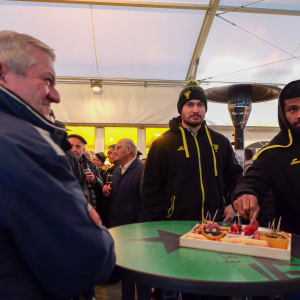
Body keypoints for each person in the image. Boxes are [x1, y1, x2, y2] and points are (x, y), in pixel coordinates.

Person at [0, 30, 116, 300]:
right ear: (3, 73)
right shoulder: (26, 145)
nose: (56, 96)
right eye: (47, 80)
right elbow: (88, 259)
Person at [141, 80, 243, 224]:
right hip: (175, 224)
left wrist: (233, 205)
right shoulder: (162, 143)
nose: (195, 110)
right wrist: (161, 219)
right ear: (180, 109)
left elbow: (235, 178)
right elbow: (149, 185)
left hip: (216, 223)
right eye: (190, 104)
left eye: (200, 104)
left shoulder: (220, 142)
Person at [233, 80, 300, 236]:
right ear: (283, 113)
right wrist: (244, 195)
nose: (299, 115)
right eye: (292, 109)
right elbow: (250, 181)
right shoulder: (273, 152)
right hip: (292, 243)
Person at [103, 138, 151, 300]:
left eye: (118, 147)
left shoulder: (143, 170)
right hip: (119, 226)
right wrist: (107, 193)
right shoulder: (116, 171)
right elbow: (119, 196)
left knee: (141, 268)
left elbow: (147, 201)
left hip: (136, 227)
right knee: (125, 268)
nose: (114, 150)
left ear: (128, 150)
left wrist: (141, 226)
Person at [68, 134, 104, 213]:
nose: (74, 149)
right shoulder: (61, 164)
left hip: (89, 210)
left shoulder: (91, 165)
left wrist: (95, 180)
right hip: (69, 208)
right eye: (71, 146)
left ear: (83, 150)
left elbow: (102, 186)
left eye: (78, 146)